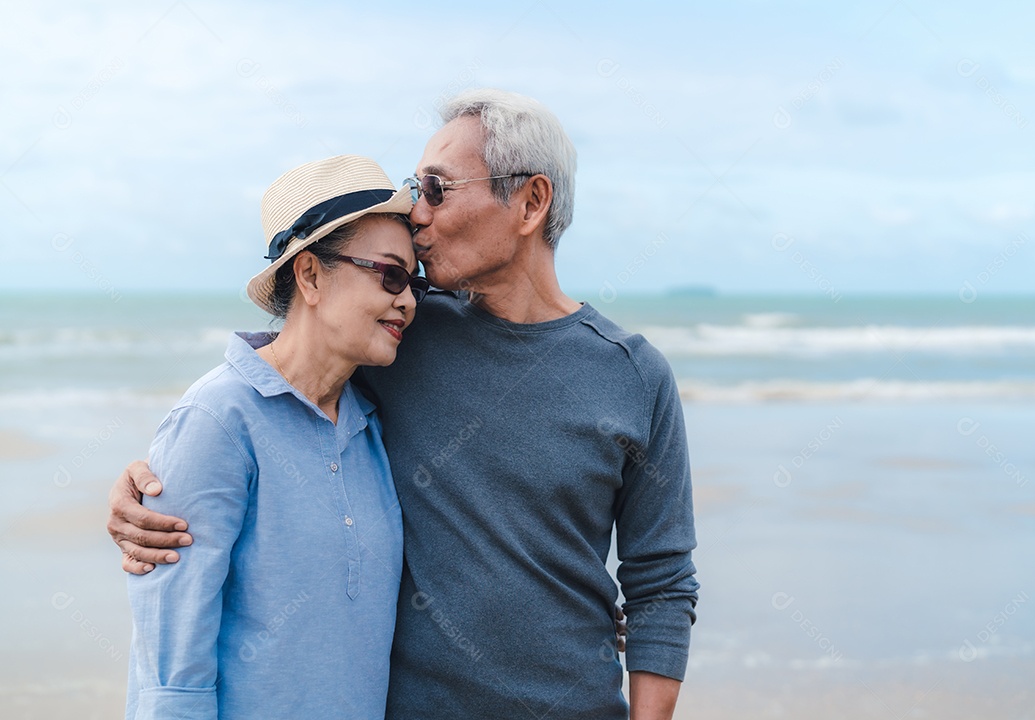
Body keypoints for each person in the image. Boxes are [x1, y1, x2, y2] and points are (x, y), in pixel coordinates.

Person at [110, 89, 698, 720]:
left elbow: (662, 583)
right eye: (415, 188)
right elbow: (283, 370)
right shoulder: (397, 342)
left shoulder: (634, 376)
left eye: (437, 189)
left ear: (529, 202)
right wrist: (158, 481)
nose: (417, 212)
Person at [124, 155, 429, 719]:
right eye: (389, 275)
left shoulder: (372, 426)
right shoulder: (216, 420)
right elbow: (169, 667)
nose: (408, 300)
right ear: (310, 275)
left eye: (415, 282)